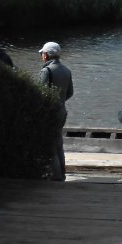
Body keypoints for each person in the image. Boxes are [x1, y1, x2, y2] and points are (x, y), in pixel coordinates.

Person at [39, 42, 73, 181]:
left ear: (46, 55)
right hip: (62, 111)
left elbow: (40, 94)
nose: (42, 56)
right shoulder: (66, 70)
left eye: (42, 53)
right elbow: (70, 93)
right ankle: (62, 174)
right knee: (58, 143)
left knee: (50, 145)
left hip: (50, 113)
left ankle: (56, 177)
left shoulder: (46, 71)